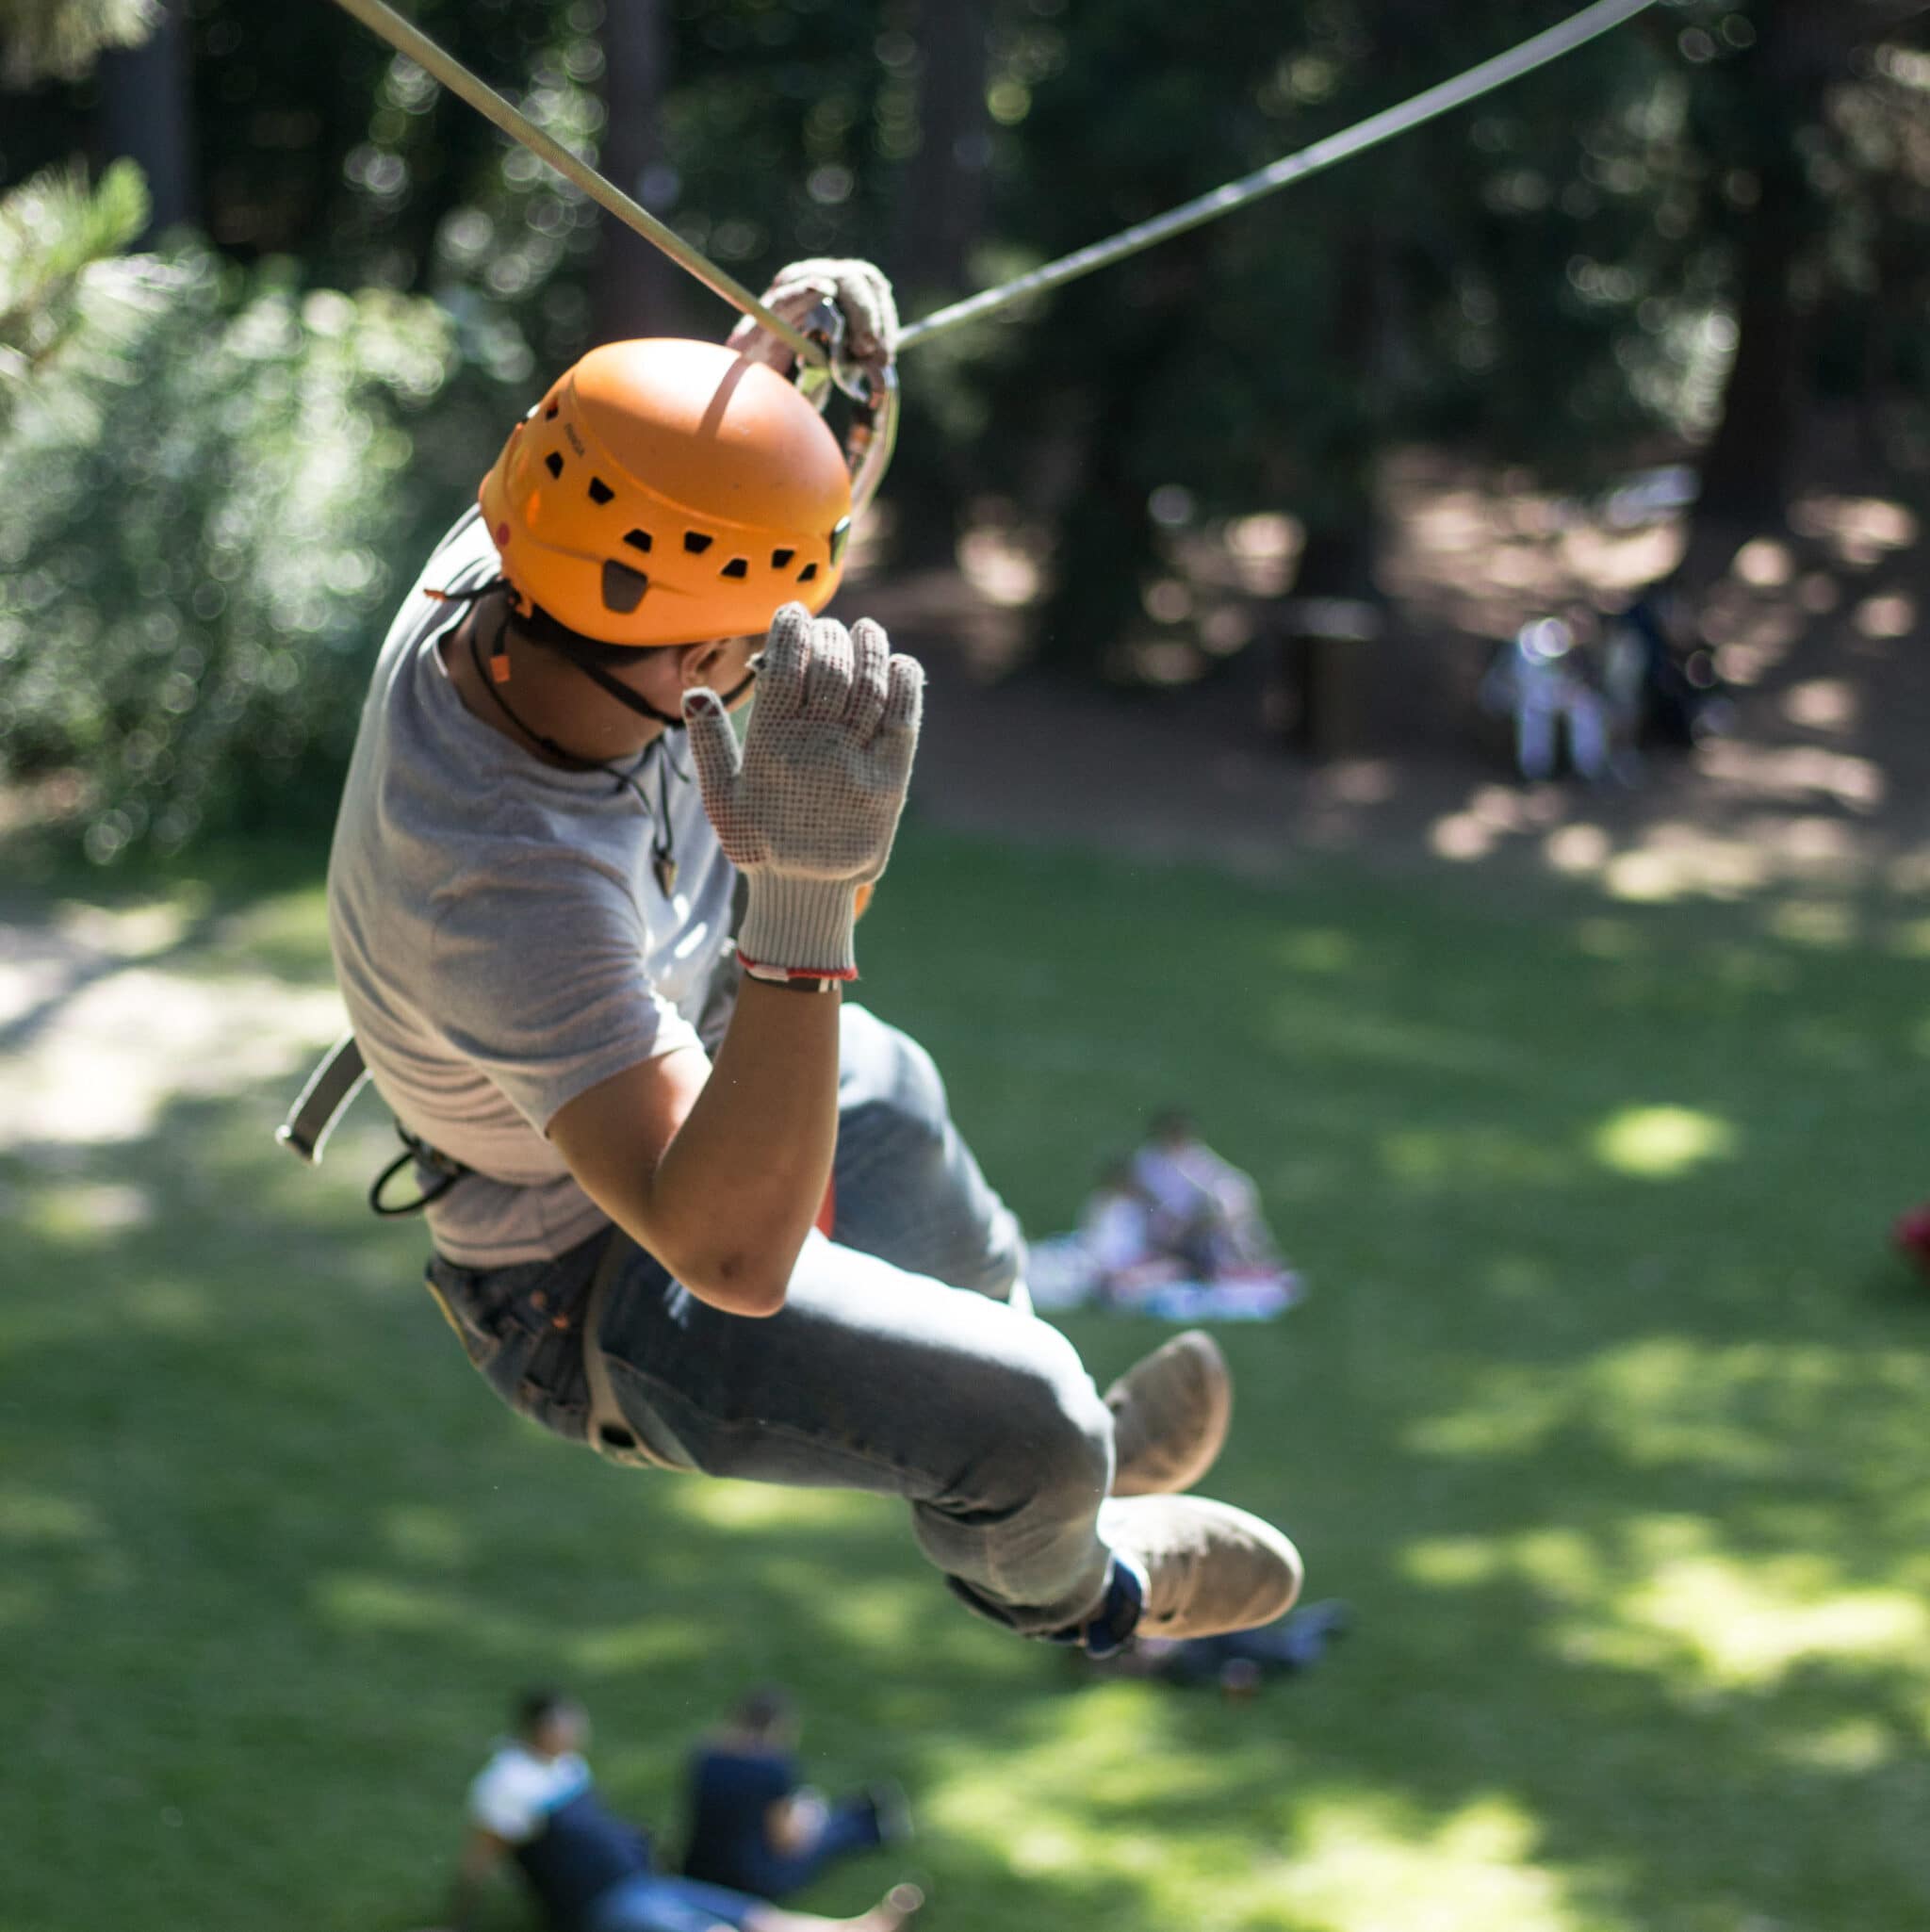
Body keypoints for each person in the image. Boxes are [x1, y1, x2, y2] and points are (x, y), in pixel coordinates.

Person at [319, 255, 1301, 1665]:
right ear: (676, 654)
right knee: (1024, 1416)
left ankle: (1040, 1462)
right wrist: (805, 897)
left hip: (677, 1061)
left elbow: (672, 496)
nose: (763, 666)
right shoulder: (497, 880)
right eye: (746, 650)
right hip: (585, 1283)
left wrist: (769, 381)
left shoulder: (532, 555)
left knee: (893, 1088)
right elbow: (726, 1250)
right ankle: (1078, 1578)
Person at [428, 1690, 921, 1932]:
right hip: (602, 1903)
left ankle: (856, 1929)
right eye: (566, 1723)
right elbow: (481, 1858)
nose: (577, 1731)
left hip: (640, 1879)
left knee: (756, 1917)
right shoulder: (505, 1786)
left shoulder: (565, 1767)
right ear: (538, 1728)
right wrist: (458, 1920)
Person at [680, 1689, 903, 1901]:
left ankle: (861, 1813)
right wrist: (807, 1819)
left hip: (699, 1872)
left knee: (818, 1816)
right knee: (825, 1831)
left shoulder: (706, 1757)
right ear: (777, 1725)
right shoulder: (773, 1768)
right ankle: (865, 1818)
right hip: (754, 1880)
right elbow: (785, 1841)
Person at [1131, 1110, 1280, 1279]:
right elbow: (1155, 1200)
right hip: (1169, 1225)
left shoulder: (1194, 1156)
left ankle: (1246, 1263)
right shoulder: (1149, 1161)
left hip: (1196, 1221)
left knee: (1233, 1214)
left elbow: (1226, 1181)